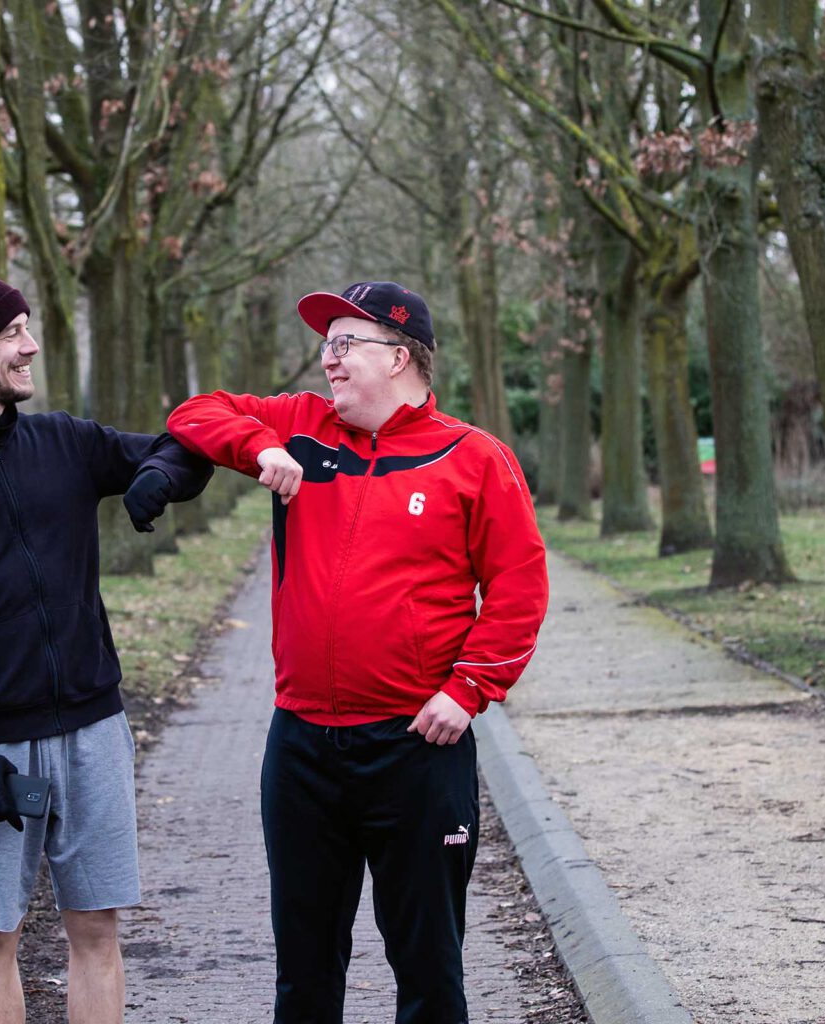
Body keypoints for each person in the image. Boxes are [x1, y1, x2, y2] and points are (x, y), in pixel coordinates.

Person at [166, 280, 549, 1024]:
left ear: (400, 356)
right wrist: (259, 443)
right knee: (303, 972)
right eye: (325, 346)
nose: (329, 362)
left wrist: (467, 689)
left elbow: (519, 585)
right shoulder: (304, 426)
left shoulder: (474, 458)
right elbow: (193, 413)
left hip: (416, 746)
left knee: (428, 968)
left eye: (345, 344)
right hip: (302, 744)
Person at [0, 272, 211, 1024]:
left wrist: (155, 475)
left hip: (93, 733)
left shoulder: (65, 443)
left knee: (97, 929)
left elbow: (188, 447)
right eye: (12, 332)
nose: (30, 346)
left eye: (27, 327)